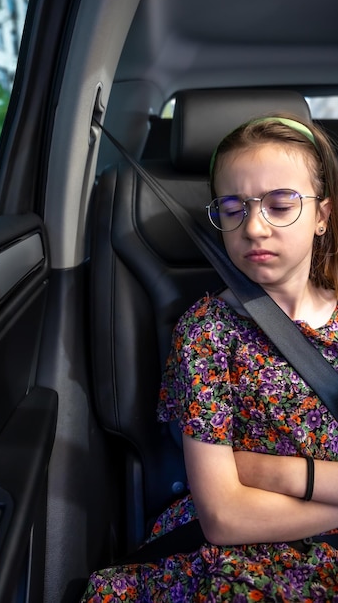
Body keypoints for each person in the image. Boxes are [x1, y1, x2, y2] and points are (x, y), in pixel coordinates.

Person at [81, 115, 338, 602]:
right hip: (242, 557)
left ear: (322, 215)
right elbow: (223, 517)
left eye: (281, 204)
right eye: (233, 208)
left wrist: (275, 471)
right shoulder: (209, 332)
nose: (255, 227)